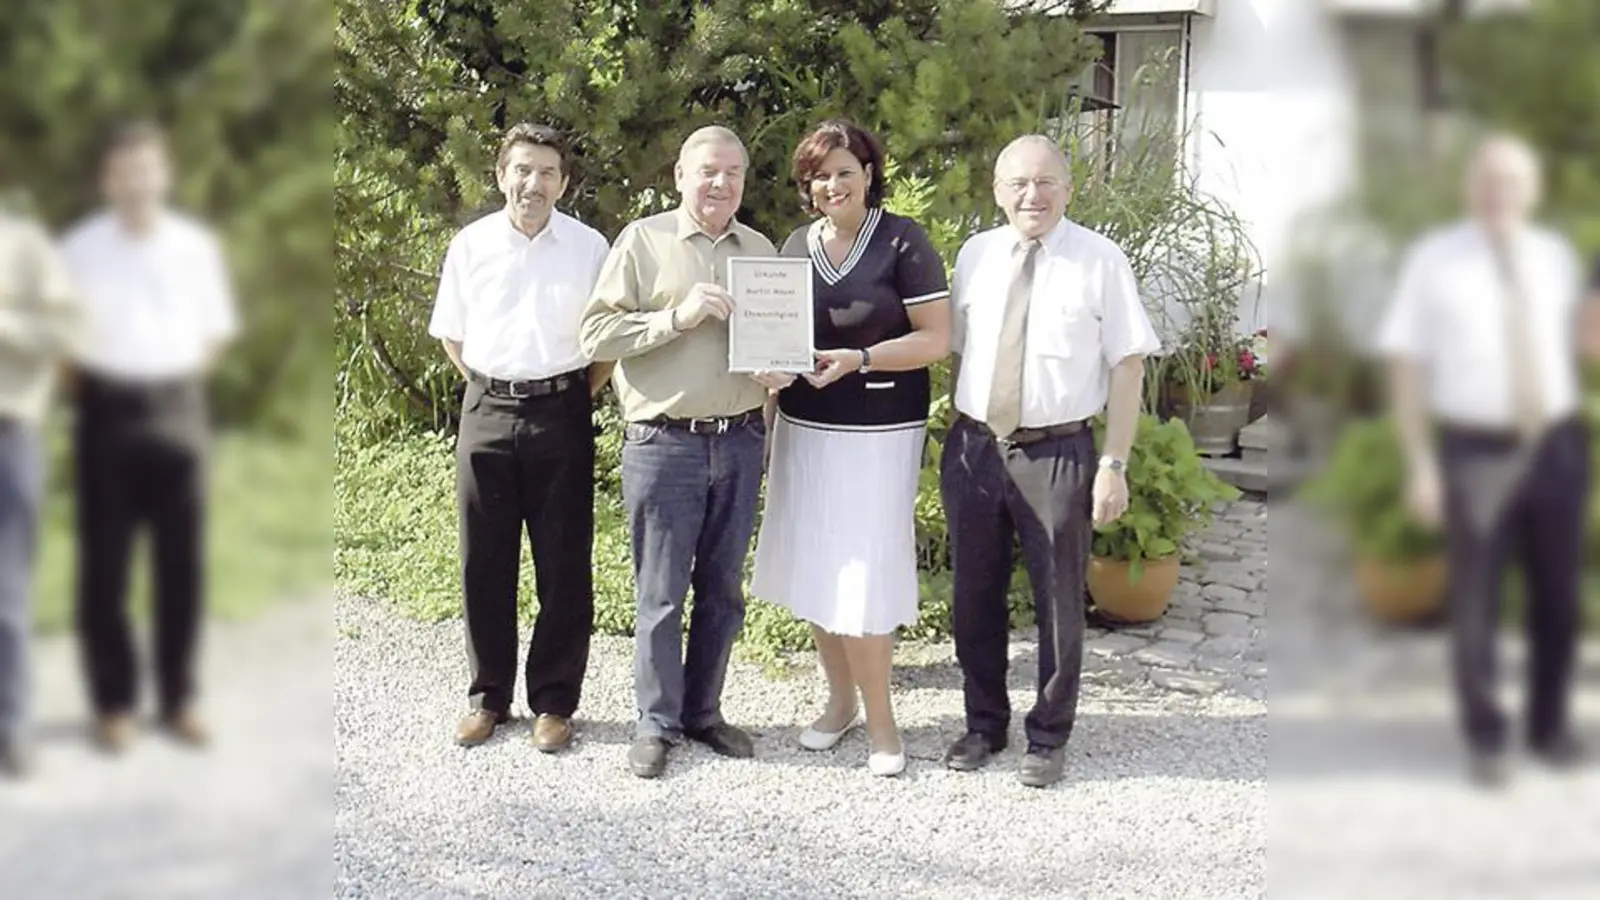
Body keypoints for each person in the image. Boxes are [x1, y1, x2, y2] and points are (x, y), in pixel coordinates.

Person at [1378, 133, 1596, 788]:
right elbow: (1406, 365)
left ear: (1532, 192)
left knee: (1558, 596)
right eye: (1490, 181)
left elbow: (1582, 344)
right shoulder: (1434, 261)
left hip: (1556, 442)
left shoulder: (1556, 257)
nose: (1501, 193)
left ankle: (1550, 726)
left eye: (1514, 182)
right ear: (1471, 188)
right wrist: (1419, 463)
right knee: (1474, 600)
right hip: (1477, 450)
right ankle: (1486, 734)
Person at [941, 135, 1157, 788]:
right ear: (997, 189)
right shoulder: (976, 255)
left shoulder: (1100, 260)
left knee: (1059, 598)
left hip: (1058, 450)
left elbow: (1128, 364)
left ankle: (1048, 735)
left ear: (1068, 186)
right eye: (1017, 183)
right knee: (973, 593)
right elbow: (960, 349)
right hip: (977, 446)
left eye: (1044, 182)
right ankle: (984, 723)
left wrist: (1114, 463)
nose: (1030, 195)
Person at [749, 119, 951, 777]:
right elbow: (773, 339)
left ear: (868, 173)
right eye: (818, 174)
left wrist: (860, 357)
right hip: (805, 429)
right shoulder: (794, 245)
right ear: (806, 187)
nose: (831, 184)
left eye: (844, 170)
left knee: (860, 573)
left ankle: (884, 722)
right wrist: (767, 388)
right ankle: (840, 703)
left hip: (878, 433)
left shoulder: (903, 240)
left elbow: (936, 340)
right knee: (815, 564)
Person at [579, 125, 774, 779]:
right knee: (661, 594)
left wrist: (780, 369)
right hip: (665, 445)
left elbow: (775, 337)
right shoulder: (643, 241)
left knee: (723, 590)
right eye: (708, 171)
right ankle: (656, 722)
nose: (721, 184)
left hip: (741, 439)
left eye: (733, 173)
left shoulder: (760, 249)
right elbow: (596, 333)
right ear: (681, 177)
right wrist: (676, 317)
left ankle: (704, 712)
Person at [428, 123, 612, 752]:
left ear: (564, 183)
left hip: (561, 410)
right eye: (523, 170)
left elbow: (606, 344)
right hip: (486, 410)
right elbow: (453, 334)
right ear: (502, 174)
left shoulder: (588, 248)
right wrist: (494, 390)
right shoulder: (471, 245)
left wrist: (562, 399)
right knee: (484, 559)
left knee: (563, 563)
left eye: (548, 173)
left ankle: (555, 703)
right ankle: (487, 697)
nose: (534, 184)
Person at [59, 121, 239, 753]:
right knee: (104, 567)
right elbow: (65, 345)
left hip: (178, 409)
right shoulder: (80, 249)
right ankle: (113, 702)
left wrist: (172, 388)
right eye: (123, 171)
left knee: (180, 568)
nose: (136, 182)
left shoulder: (193, 247)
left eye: (147, 169)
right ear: (107, 180)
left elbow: (214, 336)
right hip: (106, 412)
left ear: (164, 175)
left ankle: (178, 699)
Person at [0, 208, 85, 777]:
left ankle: (9, 727)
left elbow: (65, 331)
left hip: (10, 433)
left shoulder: (24, 241)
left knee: (6, 590)